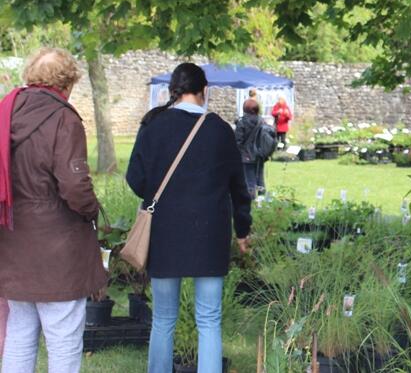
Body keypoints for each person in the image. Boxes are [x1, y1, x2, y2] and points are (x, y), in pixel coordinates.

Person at [126, 63, 252, 373]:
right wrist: (242, 230)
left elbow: (135, 178)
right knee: (209, 319)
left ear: (173, 90)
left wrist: (159, 196)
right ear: (204, 90)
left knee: (163, 318)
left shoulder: (153, 125)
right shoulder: (220, 130)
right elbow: (239, 187)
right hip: (210, 233)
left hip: (164, 231)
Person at [0, 47, 107, 373]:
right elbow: (74, 186)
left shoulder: (7, 111)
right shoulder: (63, 118)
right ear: (67, 82)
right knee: (63, 336)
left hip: (14, 239)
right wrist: (91, 211)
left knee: (20, 332)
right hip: (58, 247)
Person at [234, 98, 266, 197]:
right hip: (260, 154)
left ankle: (251, 199)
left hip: (246, 155)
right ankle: (262, 198)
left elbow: (238, 141)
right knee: (260, 177)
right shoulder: (262, 121)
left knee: (249, 179)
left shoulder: (242, 122)